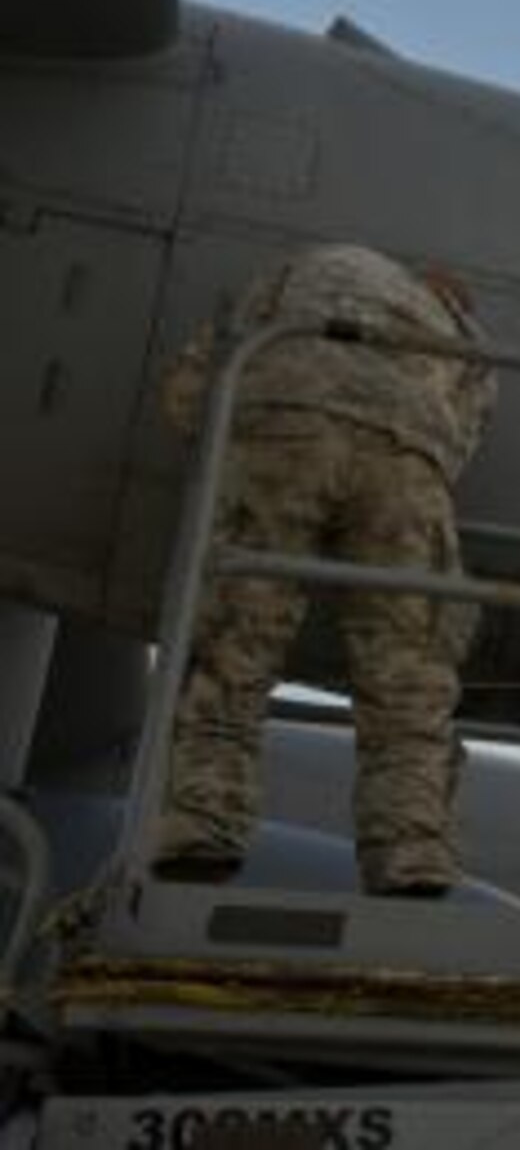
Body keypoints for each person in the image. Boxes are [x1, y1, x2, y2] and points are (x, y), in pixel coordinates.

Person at [153, 243, 497, 897]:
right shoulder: (458, 326)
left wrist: (223, 449)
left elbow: (200, 376)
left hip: (285, 420)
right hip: (404, 454)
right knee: (408, 667)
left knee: (235, 639)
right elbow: (467, 426)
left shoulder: (299, 270)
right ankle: (410, 852)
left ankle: (202, 824)